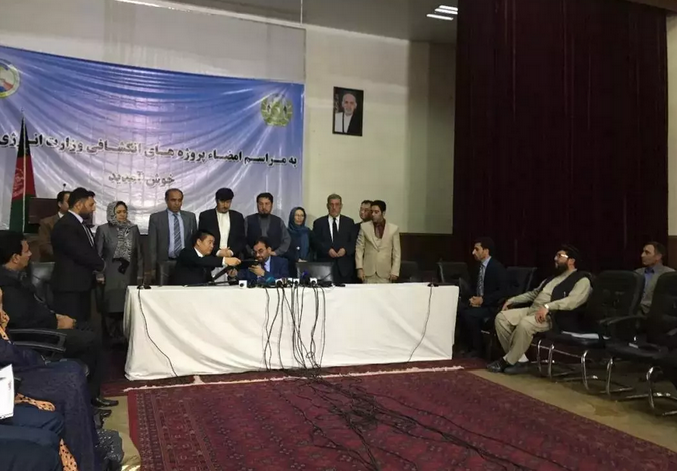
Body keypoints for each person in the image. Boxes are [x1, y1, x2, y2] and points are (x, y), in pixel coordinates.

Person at [0, 230, 115, 409]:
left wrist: (57, 317)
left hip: (46, 325)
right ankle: (88, 400)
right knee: (90, 340)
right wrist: (56, 322)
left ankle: (90, 395)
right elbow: (22, 321)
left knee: (90, 328)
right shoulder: (6, 287)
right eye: (26, 251)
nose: (30, 254)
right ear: (15, 258)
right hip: (35, 337)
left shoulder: (17, 276)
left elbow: (35, 308)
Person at [0, 287, 100, 470]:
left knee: (72, 371)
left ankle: (91, 456)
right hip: (10, 371)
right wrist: (36, 358)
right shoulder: (8, 283)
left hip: (11, 366)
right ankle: (86, 462)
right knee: (69, 382)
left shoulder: (16, 281)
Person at [487, 245, 592, 375]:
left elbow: (572, 301)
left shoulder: (582, 280)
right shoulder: (551, 278)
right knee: (501, 318)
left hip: (552, 317)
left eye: (559, 256)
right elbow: (534, 294)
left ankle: (506, 361)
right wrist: (513, 300)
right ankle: (520, 359)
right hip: (533, 310)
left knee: (525, 324)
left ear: (571, 261)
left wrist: (548, 307)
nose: (555, 258)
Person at [50, 188, 105, 323]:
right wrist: (102, 265)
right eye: (91, 205)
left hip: (81, 286)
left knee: (82, 325)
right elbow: (80, 252)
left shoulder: (80, 224)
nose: (93, 209)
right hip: (69, 288)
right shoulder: (66, 225)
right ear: (79, 205)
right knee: (70, 327)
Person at [95, 201, 143, 339]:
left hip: (129, 275)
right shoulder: (103, 230)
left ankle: (125, 341)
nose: (122, 215)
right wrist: (99, 274)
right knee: (111, 309)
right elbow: (98, 255)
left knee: (127, 309)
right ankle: (110, 341)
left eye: (124, 212)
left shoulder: (133, 229)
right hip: (110, 276)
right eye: (119, 212)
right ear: (111, 213)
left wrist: (140, 275)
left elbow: (139, 254)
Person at [456, 238, 508, 357]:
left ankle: (478, 348)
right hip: (479, 303)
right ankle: (464, 346)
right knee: (460, 308)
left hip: (492, 305)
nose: (473, 252)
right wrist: (473, 298)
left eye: (477, 249)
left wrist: (483, 300)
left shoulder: (497, 268)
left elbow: (502, 292)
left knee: (470, 315)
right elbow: (474, 287)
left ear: (486, 251)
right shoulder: (477, 268)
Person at [148, 188, 197, 282]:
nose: (177, 203)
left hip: (185, 263)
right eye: (173, 200)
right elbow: (152, 245)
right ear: (166, 200)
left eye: (179, 200)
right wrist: (152, 267)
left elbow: (195, 241)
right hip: (164, 263)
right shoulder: (156, 218)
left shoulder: (190, 217)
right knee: (163, 289)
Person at [312, 194, 356, 284]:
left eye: (337, 204)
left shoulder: (349, 222)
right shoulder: (319, 223)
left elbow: (353, 241)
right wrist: (327, 250)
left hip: (344, 269)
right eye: (331, 204)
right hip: (325, 267)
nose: (334, 207)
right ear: (327, 206)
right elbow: (315, 242)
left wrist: (345, 249)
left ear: (341, 206)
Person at [171, 230, 241, 286]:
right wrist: (225, 260)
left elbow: (209, 281)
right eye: (210, 242)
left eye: (213, 243)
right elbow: (199, 261)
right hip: (183, 292)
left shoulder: (207, 259)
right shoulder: (186, 252)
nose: (212, 246)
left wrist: (231, 276)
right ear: (198, 242)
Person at [355, 200, 401, 284]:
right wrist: (359, 268)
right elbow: (359, 249)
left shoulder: (393, 229)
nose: (373, 214)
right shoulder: (364, 227)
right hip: (368, 273)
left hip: (385, 273)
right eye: (372, 212)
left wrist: (395, 271)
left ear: (383, 213)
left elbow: (396, 252)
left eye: (376, 212)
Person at [198, 188, 246, 260]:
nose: (225, 205)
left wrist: (231, 252)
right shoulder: (206, 216)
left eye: (228, 202)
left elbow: (241, 239)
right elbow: (202, 239)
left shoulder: (238, 217)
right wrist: (218, 252)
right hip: (211, 258)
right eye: (222, 202)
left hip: (233, 258)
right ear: (216, 200)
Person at [244, 193, 291, 257]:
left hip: (274, 259)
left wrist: (276, 252)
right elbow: (242, 240)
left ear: (271, 205)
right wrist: (252, 253)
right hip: (252, 258)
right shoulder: (248, 220)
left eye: (267, 204)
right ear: (257, 205)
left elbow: (286, 240)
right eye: (261, 204)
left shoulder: (278, 221)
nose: (264, 207)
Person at [635, 242, 674, 315]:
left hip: (655, 314)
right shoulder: (637, 273)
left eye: (647, 253)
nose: (642, 255)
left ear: (658, 256)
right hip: (634, 312)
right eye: (643, 252)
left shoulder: (669, 274)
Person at [37, 190, 70, 262]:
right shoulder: (47, 222)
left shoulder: (79, 222)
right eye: (69, 202)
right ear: (60, 204)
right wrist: (63, 256)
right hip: (54, 262)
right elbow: (44, 246)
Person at [286, 207, 312, 277]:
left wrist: (307, 259)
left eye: (302, 215)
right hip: (290, 266)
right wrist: (296, 259)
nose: (299, 218)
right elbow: (285, 250)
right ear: (292, 217)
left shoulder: (308, 231)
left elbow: (312, 248)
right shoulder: (286, 232)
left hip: (306, 265)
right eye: (297, 215)